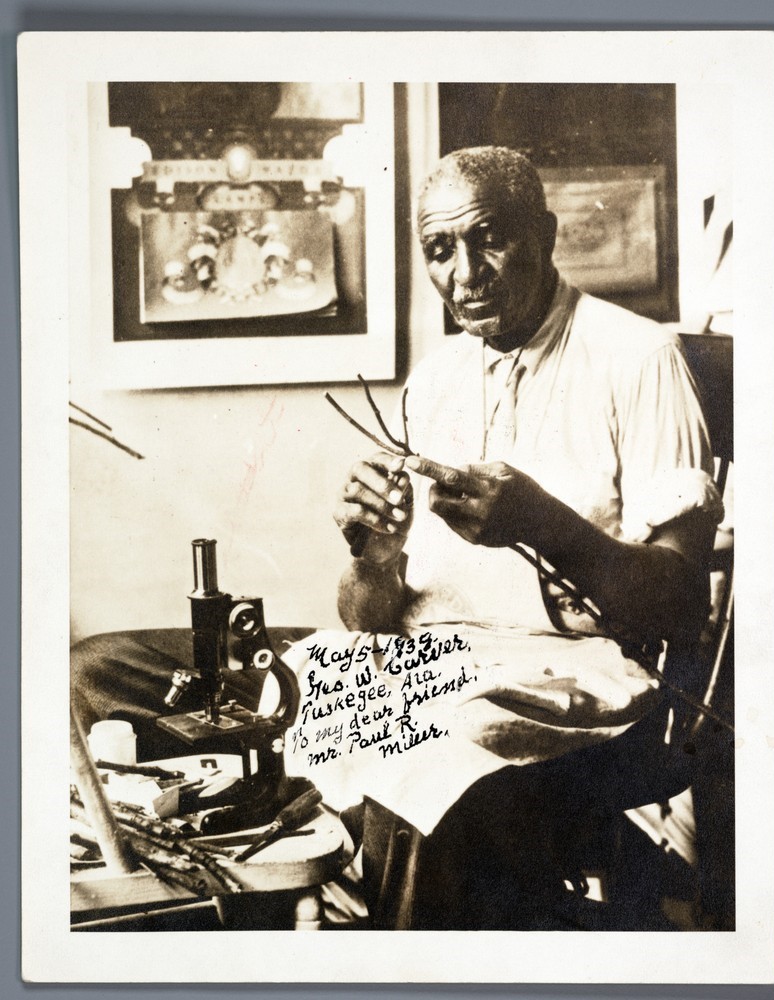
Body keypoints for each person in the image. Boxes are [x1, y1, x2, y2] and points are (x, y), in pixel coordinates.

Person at [72, 145, 723, 929]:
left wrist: (545, 525)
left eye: (490, 238)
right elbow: (371, 618)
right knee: (101, 675)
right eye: (441, 249)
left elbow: (682, 605)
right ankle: (206, 926)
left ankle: (372, 943)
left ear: (545, 234)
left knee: (419, 771)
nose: (466, 272)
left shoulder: (639, 357)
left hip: (562, 678)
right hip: (410, 666)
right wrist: (369, 557)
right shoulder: (437, 378)